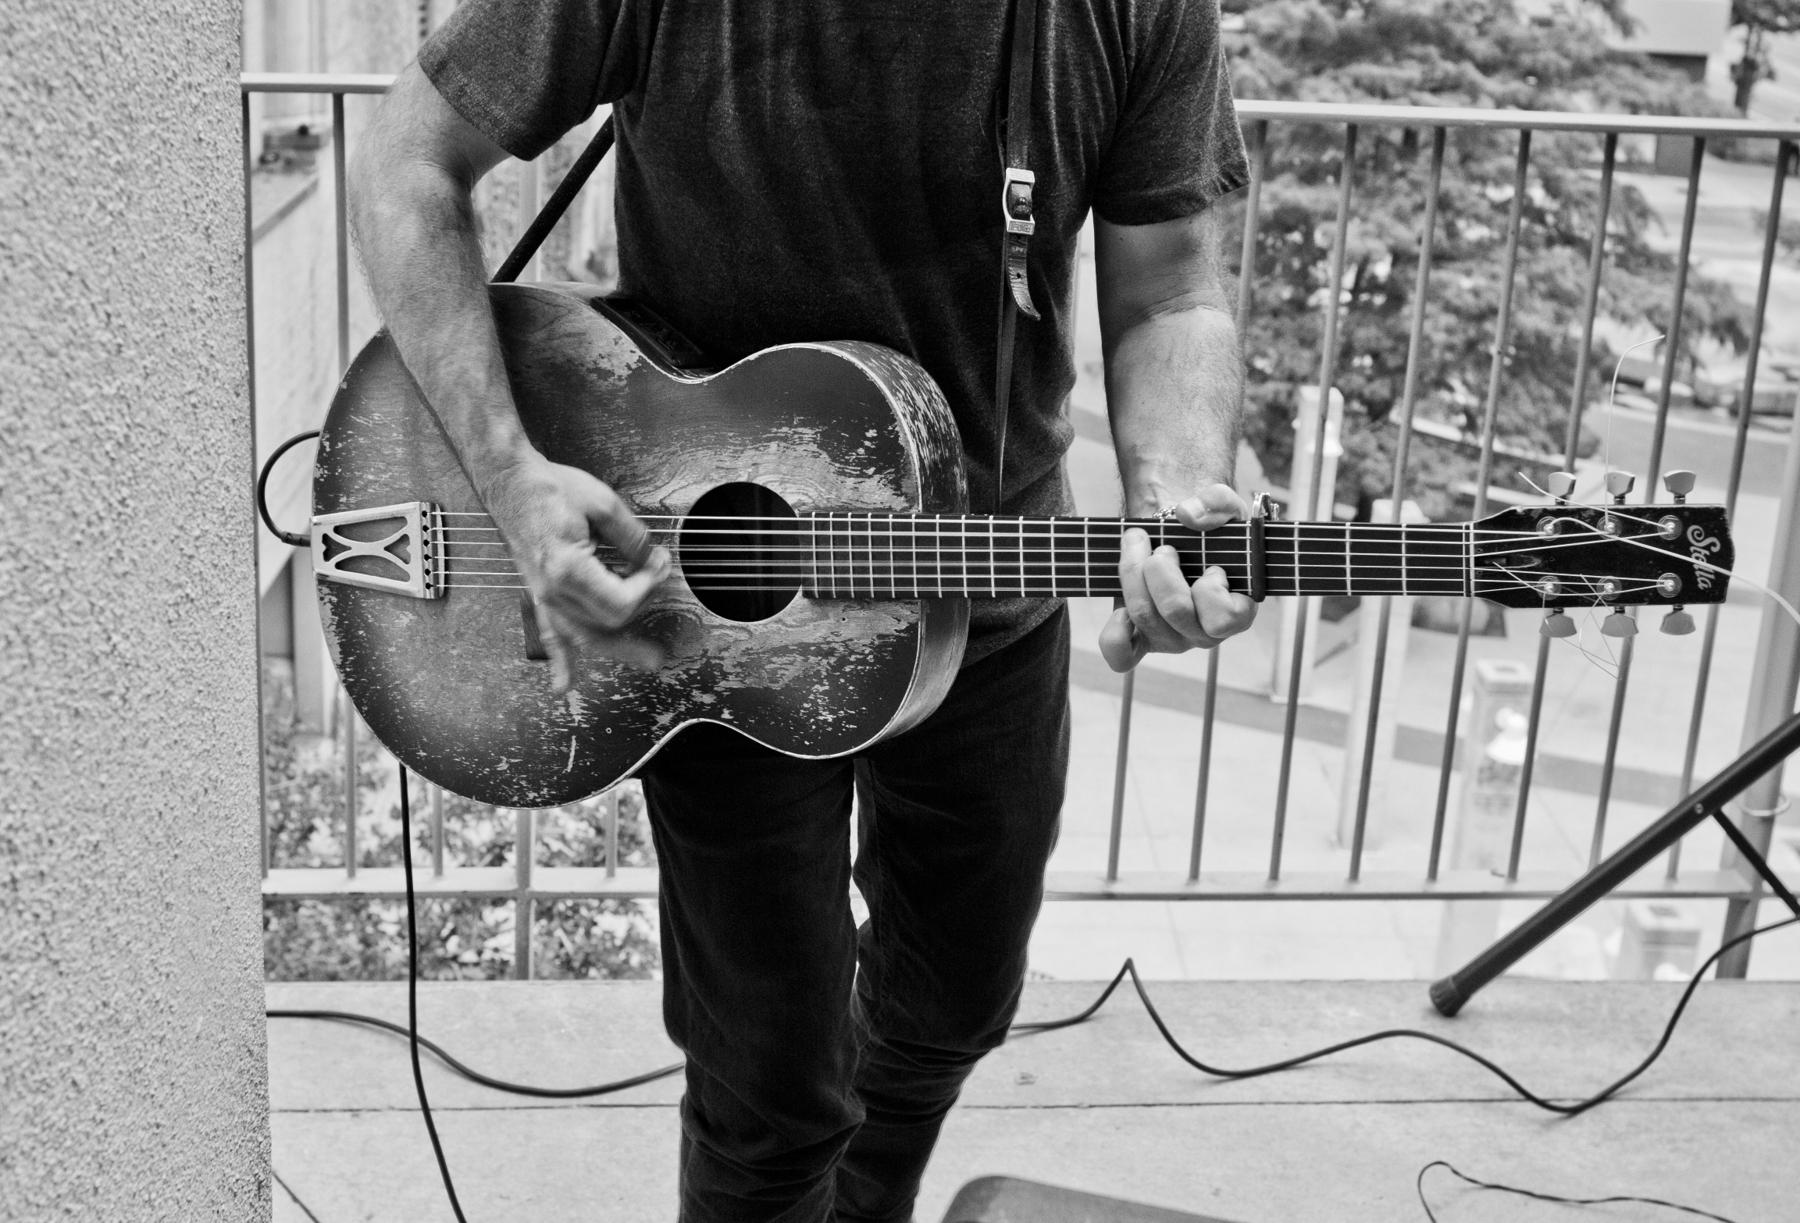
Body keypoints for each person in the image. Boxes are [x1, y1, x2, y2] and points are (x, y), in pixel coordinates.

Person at [348, 3, 1256, 1219]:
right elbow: (407, 163)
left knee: (954, 1004)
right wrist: (510, 478)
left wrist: (1177, 499)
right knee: (767, 1096)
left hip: (987, 588)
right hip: (705, 610)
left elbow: (1171, 292)